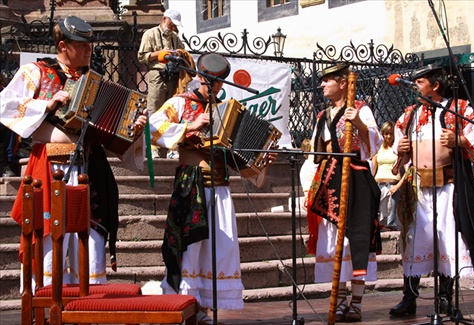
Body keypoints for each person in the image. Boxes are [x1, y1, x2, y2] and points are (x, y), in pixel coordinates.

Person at [0, 16, 147, 288]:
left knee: (90, 240)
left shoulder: (94, 82)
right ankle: (45, 303)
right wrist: (46, 104)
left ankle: (86, 306)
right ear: (63, 45)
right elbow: (4, 105)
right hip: (50, 165)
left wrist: (134, 130)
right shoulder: (37, 72)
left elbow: (113, 140)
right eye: (81, 44)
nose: (88, 49)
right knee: (48, 238)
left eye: (89, 44)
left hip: (89, 170)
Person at [149, 53, 277, 324]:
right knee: (190, 246)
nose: (215, 88)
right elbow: (152, 128)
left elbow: (240, 158)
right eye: (211, 83)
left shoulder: (226, 109)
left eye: (219, 84)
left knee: (217, 247)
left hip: (220, 187)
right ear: (199, 77)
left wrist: (262, 158)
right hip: (191, 183)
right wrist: (189, 126)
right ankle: (182, 305)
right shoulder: (181, 102)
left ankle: (204, 308)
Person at [389, 64, 474, 317]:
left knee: (448, 239)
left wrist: (460, 140)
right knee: (414, 241)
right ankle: (409, 297)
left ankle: (445, 298)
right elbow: (396, 141)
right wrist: (400, 147)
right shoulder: (410, 114)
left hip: (448, 186)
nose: (415, 86)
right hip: (418, 188)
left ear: (435, 85)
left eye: (420, 82)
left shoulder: (458, 108)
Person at [303, 63, 382, 322]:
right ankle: (336, 298)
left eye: (327, 81)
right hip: (330, 180)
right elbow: (317, 153)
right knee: (333, 240)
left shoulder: (361, 109)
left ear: (343, 83)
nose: (322, 85)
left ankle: (356, 302)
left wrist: (357, 123)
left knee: (356, 239)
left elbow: (374, 143)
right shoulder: (322, 116)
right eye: (322, 81)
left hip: (355, 178)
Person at [137, 8, 185, 159]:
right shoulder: (150, 34)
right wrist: (161, 53)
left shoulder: (175, 38)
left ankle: (172, 147)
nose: (173, 27)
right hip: (157, 76)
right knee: (154, 111)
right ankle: (153, 148)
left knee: (171, 113)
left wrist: (178, 54)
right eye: (171, 23)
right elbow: (142, 57)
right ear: (165, 19)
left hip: (172, 76)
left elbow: (183, 53)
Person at [372, 121, 403, 231]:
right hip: (379, 183)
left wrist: (397, 186)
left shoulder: (398, 149)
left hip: (393, 184)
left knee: (391, 221)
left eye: (391, 133)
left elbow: (409, 170)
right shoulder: (378, 148)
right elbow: (373, 168)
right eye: (386, 134)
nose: (389, 136)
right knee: (379, 218)